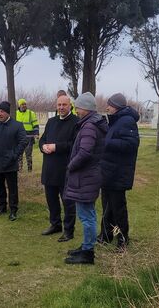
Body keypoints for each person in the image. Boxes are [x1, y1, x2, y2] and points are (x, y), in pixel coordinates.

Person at [63, 92, 107, 265]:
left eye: (78, 107)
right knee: (87, 214)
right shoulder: (93, 123)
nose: (76, 111)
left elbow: (85, 153)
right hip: (90, 175)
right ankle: (86, 246)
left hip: (86, 176)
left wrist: (70, 165)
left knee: (86, 216)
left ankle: (88, 254)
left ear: (85, 108)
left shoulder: (89, 126)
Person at [97, 93, 140, 252]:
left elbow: (132, 144)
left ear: (117, 106)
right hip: (109, 171)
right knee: (107, 206)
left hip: (118, 173)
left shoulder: (127, 121)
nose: (107, 107)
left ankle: (123, 239)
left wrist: (107, 143)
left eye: (109, 104)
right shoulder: (116, 120)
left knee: (118, 208)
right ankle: (106, 235)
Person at [39, 95, 78, 242]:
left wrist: (56, 147)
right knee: (51, 200)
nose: (61, 107)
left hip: (65, 169)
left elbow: (74, 144)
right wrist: (43, 146)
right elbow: (43, 139)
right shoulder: (51, 122)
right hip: (49, 168)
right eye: (59, 105)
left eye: (64, 105)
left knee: (68, 201)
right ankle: (55, 224)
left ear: (70, 106)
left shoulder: (76, 122)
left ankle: (69, 230)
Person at [0, 101, 27, 221]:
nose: (0, 114)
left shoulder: (17, 125)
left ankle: (13, 210)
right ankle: (2, 207)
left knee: (12, 188)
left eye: (2, 112)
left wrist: (14, 155)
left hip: (10, 163)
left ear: (8, 113)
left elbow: (23, 142)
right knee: (0, 187)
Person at [16, 99, 39, 172]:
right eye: (22, 104)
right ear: (19, 105)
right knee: (19, 155)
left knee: (28, 155)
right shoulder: (15, 113)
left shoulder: (30, 113)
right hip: (19, 138)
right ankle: (20, 169)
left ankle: (30, 170)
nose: (24, 105)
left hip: (29, 138)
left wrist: (36, 134)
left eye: (25, 104)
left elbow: (35, 124)